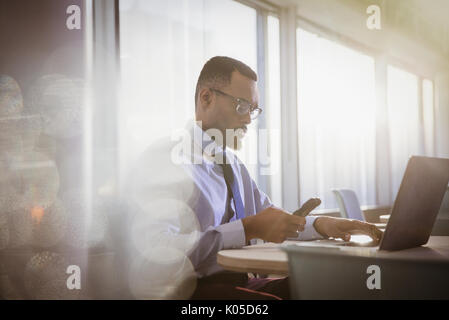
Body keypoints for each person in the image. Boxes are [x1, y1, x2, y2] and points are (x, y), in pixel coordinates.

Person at [134, 56, 383, 300]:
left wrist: (322, 226)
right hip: (192, 292)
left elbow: (270, 218)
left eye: (253, 110)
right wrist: (247, 228)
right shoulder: (166, 159)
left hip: (240, 283)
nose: (247, 119)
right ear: (206, 97)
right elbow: (159, 252)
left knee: (326, 287)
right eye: (241, 105)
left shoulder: (232, 165)